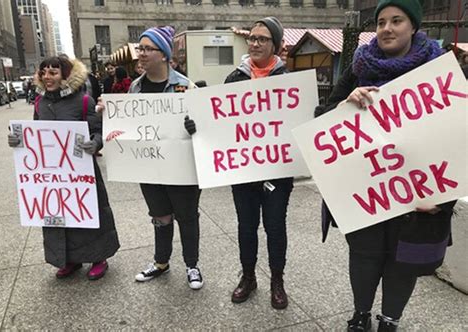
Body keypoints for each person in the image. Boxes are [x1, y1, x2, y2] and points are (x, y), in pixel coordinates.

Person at [316, 1, 456, 330]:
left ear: (413, 27)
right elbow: (323, 116)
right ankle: (361, 314)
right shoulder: (357, 68)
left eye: (397, 20)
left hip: (419, 194)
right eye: (381, 22)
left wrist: (444, 196)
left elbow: (457, 138)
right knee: (363, 257)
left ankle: (389, 320)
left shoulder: (440, 72)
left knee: (403, 263)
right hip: (368, 189)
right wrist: (344, 104)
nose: (387, 28)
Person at [185, 16, 293, 309]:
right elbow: (222, 123)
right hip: (244, 171)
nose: (256, 43)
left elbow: (297, 123)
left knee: (275, 227)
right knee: (246, 227)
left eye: (263, 39)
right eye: (253, 38)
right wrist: (198, 125)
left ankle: (277, 280)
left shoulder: (289, 80)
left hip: (277, 174)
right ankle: (248, 276)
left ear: (276, 44)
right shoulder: (234, 78)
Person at [7, 55, 120, 280]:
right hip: (52, 175)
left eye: (53, 72)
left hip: (81, 172)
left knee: (89, 212)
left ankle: (99, 258)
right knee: (58, 216)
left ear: (65, 75)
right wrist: (17, 140)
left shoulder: (84, 101)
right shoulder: (40, 103)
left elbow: (98, 130)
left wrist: (95, 142)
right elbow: (35, 132)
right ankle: (69, 259)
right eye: (44, 72)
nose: (47, 77)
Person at [126, 26, 203, 290]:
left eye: (148, 49)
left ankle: (192, 265)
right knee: (160, 216)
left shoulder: (184, 86)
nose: (142, 54)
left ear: (163, 54)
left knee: (187, 216)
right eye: (141, 48)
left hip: (182, 168)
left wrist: (196, 126)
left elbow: (204, 126)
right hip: (150, 166)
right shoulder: (134, 89)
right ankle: (161, 262)